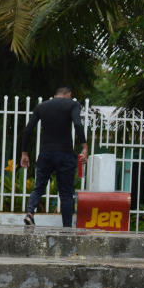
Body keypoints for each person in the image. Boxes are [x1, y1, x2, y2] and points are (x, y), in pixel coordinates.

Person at [20, 86, 87, 228]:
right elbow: (77, 124)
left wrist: (24, 153)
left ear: (55, 95)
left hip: (46, 153)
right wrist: (85, 146)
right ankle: (67, 228)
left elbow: (28, 129)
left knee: (39, 187)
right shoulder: (73, 105)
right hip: (65, 154)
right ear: (69, 95)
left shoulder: (42, 106)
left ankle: (30, 213)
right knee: (66, 194)